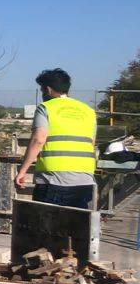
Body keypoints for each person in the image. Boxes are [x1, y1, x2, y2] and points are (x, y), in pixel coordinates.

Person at [15, 68, 96, 210]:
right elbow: (91, 143)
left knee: (46, 227)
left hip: (54, 179)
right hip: (85, 180)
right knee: (75, 227)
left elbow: (38, 140)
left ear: (48, 89)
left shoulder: (45, 107)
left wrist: (22, 171)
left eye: (42, 90)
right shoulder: (88, 111)